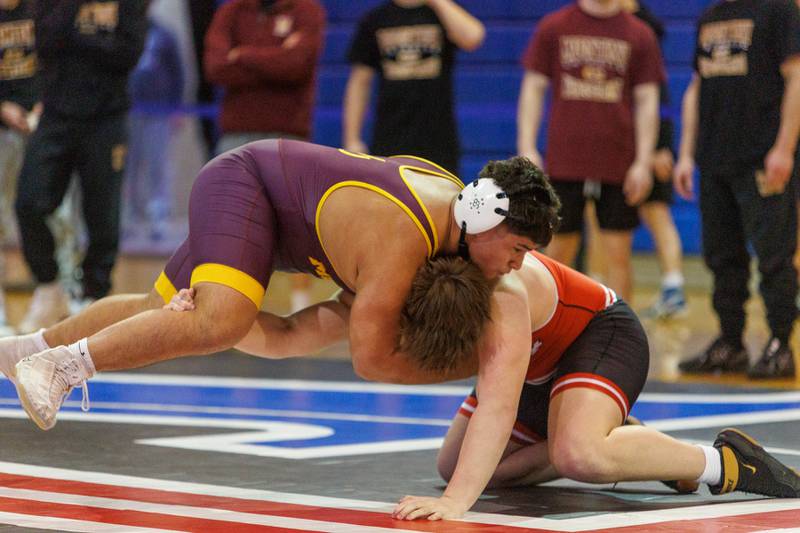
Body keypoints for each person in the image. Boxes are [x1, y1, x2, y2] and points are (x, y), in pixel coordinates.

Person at [0, 141, 551, 432]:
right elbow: (373, 361)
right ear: (488, 222)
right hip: (245, 187)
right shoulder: (403, 243)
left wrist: (190, 317)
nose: (515, 266)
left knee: (159, 308)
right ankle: (60, 368)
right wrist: (489, 362)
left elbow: (290, 335)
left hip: (264, 205)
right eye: (519, 250)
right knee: (222, 320)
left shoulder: (450, 210)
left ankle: (25, 351)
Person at [390, 254, 800, 521]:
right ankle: (619, 441)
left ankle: (725, 463)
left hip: (598, 334)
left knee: (578, 456)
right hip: (537, 361)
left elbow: (497, 407)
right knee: (454, 465)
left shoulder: (502, 298)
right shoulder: (439, 278)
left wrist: (455, 504)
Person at [674, 0, 800, 378]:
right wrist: (685, 154)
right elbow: (696, 87)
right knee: (722, 256)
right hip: (714, 159)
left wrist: (784, 148)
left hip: (762, 157)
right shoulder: (710, 16)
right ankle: (731, 341)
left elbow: (796, 78)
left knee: (775, 255)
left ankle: (780, 343)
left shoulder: (780, 11)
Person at [14, 0, 148, 333]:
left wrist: (75, 38)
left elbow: (129, 53)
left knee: (103, 213)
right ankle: (48, 285)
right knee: (29, 202)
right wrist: (95, 40)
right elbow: (45, 39)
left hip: (107, 117)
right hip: (56, 113)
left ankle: (94, 296)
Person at [517, 0, 663, 302]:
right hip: (564, 161)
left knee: (618, 255)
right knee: (556, 254)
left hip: (618, 161)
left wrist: (643, 161)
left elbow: (648, 100)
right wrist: (527, 146)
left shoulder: (639, 33)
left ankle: (620, 339)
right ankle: (550, 334)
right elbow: (533, 87)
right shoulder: (554, 26)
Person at [204, 0, 326, 312]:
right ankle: (221, 306)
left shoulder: (306, 11)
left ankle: (300, 307)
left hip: (289, 137)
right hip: (235, 137)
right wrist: (276, 55)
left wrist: (242, 55)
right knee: (228, 228)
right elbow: (216, 66)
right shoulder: (231, 11)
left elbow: (296, 65)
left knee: (297, 226)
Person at [343, 0, 485, 175]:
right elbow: (359, 83)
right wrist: (352, 139)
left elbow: (473, 37)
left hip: (438, 140)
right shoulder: (376, 19)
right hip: (389, 137)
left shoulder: (441, 15)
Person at [0, 0, 40, 336]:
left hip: (43, 124)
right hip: (2, 130)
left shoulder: (43, 9)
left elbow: (64, 58)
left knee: (51, 213)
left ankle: (60, 298)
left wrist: (47, 100)